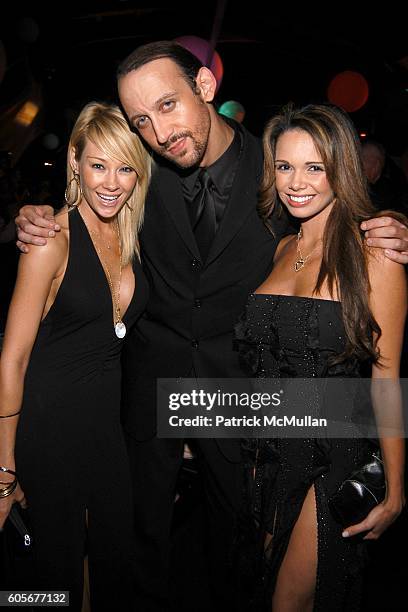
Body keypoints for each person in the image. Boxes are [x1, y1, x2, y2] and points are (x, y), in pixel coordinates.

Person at [14, 42, 408, 611]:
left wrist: (394, 223)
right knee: (133, 545)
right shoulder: (136, 173)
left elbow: (340, 215)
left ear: (204, 86)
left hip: (247, 403)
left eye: (168, 105)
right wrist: (39, 216)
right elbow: (88, 207)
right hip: (150, 390)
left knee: (238, 553)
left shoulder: (276, 171)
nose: (158, 130)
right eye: (142, 119)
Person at [234, 104, 406, 611]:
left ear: (342, 167)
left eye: (315, 166)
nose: (296, 182)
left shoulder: (374, 252)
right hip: (265, 453)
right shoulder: (281, 247)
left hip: (333, 453)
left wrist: (396, 488)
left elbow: (387, 376)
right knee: (268, 587)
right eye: (285, 166)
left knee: (287, 600)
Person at [0, 101, 151, 610]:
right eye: (98, 165)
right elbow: (11, 360)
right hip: (48, 429)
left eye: (125, 167)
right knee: (50, 577)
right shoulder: (50, 241)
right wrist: (3, 470)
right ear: (75, 164)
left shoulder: (130, 238)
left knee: (112, 560)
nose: (111, 182)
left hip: (105, 430)